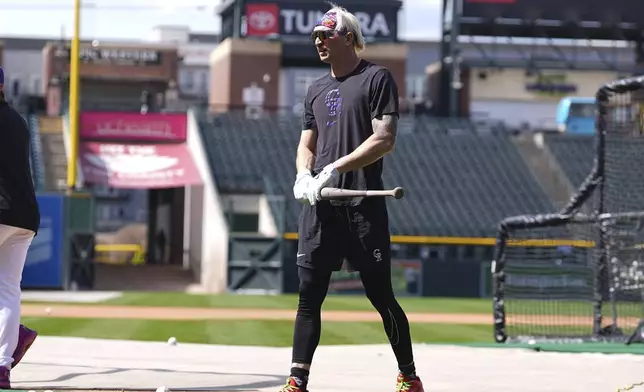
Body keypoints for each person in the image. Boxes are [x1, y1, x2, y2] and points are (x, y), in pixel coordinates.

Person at [284, 5, 424, 392]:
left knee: (382, 297)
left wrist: (334, 168)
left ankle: (409, 377)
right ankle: (297, 381)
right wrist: (303, 173)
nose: (318, 41)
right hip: (321, 209)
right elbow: (305, 145)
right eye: (315, 36)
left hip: (362, 208)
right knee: (308, 299)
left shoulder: (376, 78)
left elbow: (385, 138)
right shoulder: (314, 89)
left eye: (325, 35)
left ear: (348, 37)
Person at [0, 67, 41, 388]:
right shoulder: (18, 120)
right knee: (8, 289)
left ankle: (17, 336)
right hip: (25, 216)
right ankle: (2, 363)